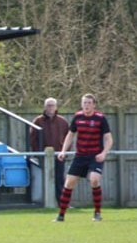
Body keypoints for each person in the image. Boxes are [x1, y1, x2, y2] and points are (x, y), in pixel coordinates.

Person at [54, 93, 113, 222]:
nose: (86, 105)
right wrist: (63, 151)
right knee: (69, 183)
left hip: (95, 156)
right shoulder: (78, 117)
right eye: (84, 103)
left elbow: (108, 139)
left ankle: (97, 213)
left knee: (94, 180)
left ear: (94, 105)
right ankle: (61, 216)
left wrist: (104, 153)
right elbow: (70, 135)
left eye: (89, 103)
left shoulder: (100, 118)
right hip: (80, 156)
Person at [30, 97, 69, 201]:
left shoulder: (63, 122)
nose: (50, 107)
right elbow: (33, 139)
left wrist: (65, 153)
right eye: (48, 105)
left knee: (60, 179)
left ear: (56, 107)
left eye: (52, 105)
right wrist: (37, 154)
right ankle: (43, 202)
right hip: (43, 156)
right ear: (45, 107)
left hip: (59, 155)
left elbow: (68, 138)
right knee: (43, 179)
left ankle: (62, 202)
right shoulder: (38, 121)